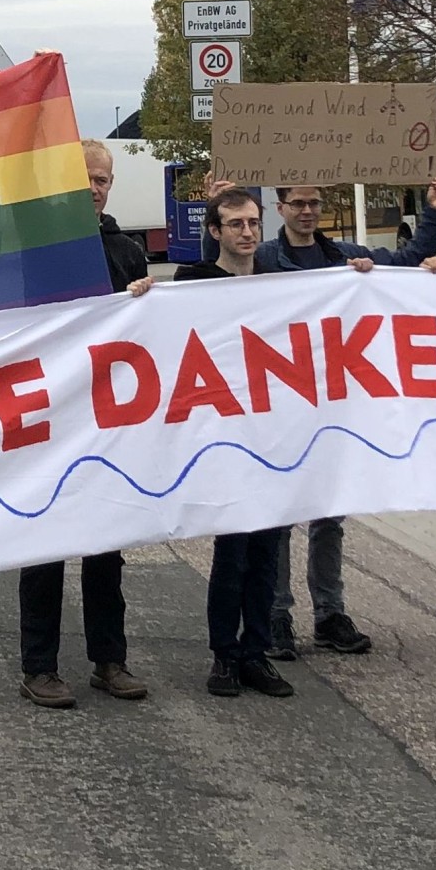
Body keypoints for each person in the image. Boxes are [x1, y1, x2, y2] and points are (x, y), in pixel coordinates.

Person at [261, 176, 436, 662]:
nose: (307, 211)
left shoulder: (345, 256)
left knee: (330, 514)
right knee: (281, 515)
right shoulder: (264, 259)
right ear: (281, 208)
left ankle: (329, 613)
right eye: (298, 203)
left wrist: (433, 217)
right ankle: (275, 614)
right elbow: (218, 279)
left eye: (315, 203)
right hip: (284, 402)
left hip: (335, 404)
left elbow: (408, 263)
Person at [18, 138, 154, 710]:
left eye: (103, 180)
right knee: (45, 548)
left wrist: (147, 302)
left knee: (106, 548)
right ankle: (39, 667)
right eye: (86, 179)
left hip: (108, 420)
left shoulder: (126, 251)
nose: (95, 189)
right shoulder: (36, 249)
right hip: (48, 418)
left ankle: (109, 659)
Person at [174, 188, 294, 700]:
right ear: (216, 232)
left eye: (253, 222)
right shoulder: (193, 282)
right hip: (222, 435)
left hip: (272, 435)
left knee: (268, 549)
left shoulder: (282, 285)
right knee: (233, 550)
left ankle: (256, 652)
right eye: (235, 223)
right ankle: (224, 653)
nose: (247, 232)